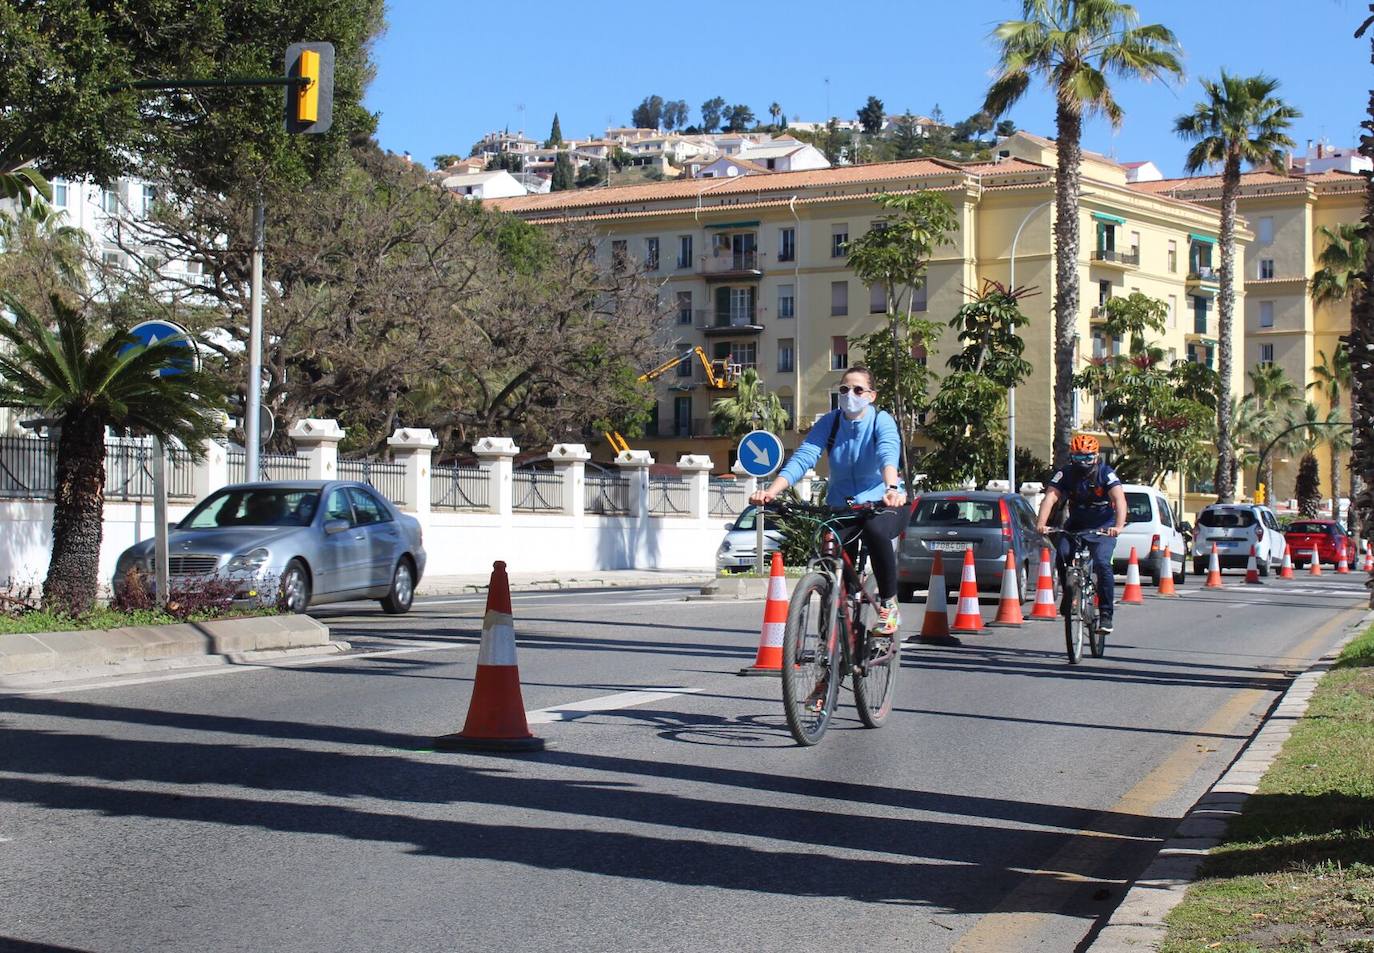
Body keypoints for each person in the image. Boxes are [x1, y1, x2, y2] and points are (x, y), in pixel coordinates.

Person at [750, 366, 909, 635]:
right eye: (844, 389)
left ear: (871, 395)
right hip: (841, 504)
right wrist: (772, 491)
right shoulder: (831, 421)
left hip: (883, 502)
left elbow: (887, 453)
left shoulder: (881, 420)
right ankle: (833, 636)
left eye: (858, 390)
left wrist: (891, 487)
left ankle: (888, 602)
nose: (850, 395)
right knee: (829, 549)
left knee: (874, 530)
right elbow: (804, 457)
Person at [1034, 434, 1127, 634]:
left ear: (1095, 456)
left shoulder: (1105, 473)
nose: (1082, 462)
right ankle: (1068, 593)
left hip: (1104, 526)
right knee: (1062, 553)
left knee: (1102, 564)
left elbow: (1119, 500)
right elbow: (1050, 498)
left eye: (1087, 458)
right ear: (1071, 457)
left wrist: (1118, 527)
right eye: (1077, 458)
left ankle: (1105, 615)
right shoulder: (1065, 474)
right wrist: (1041, 524)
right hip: (1076, 524)